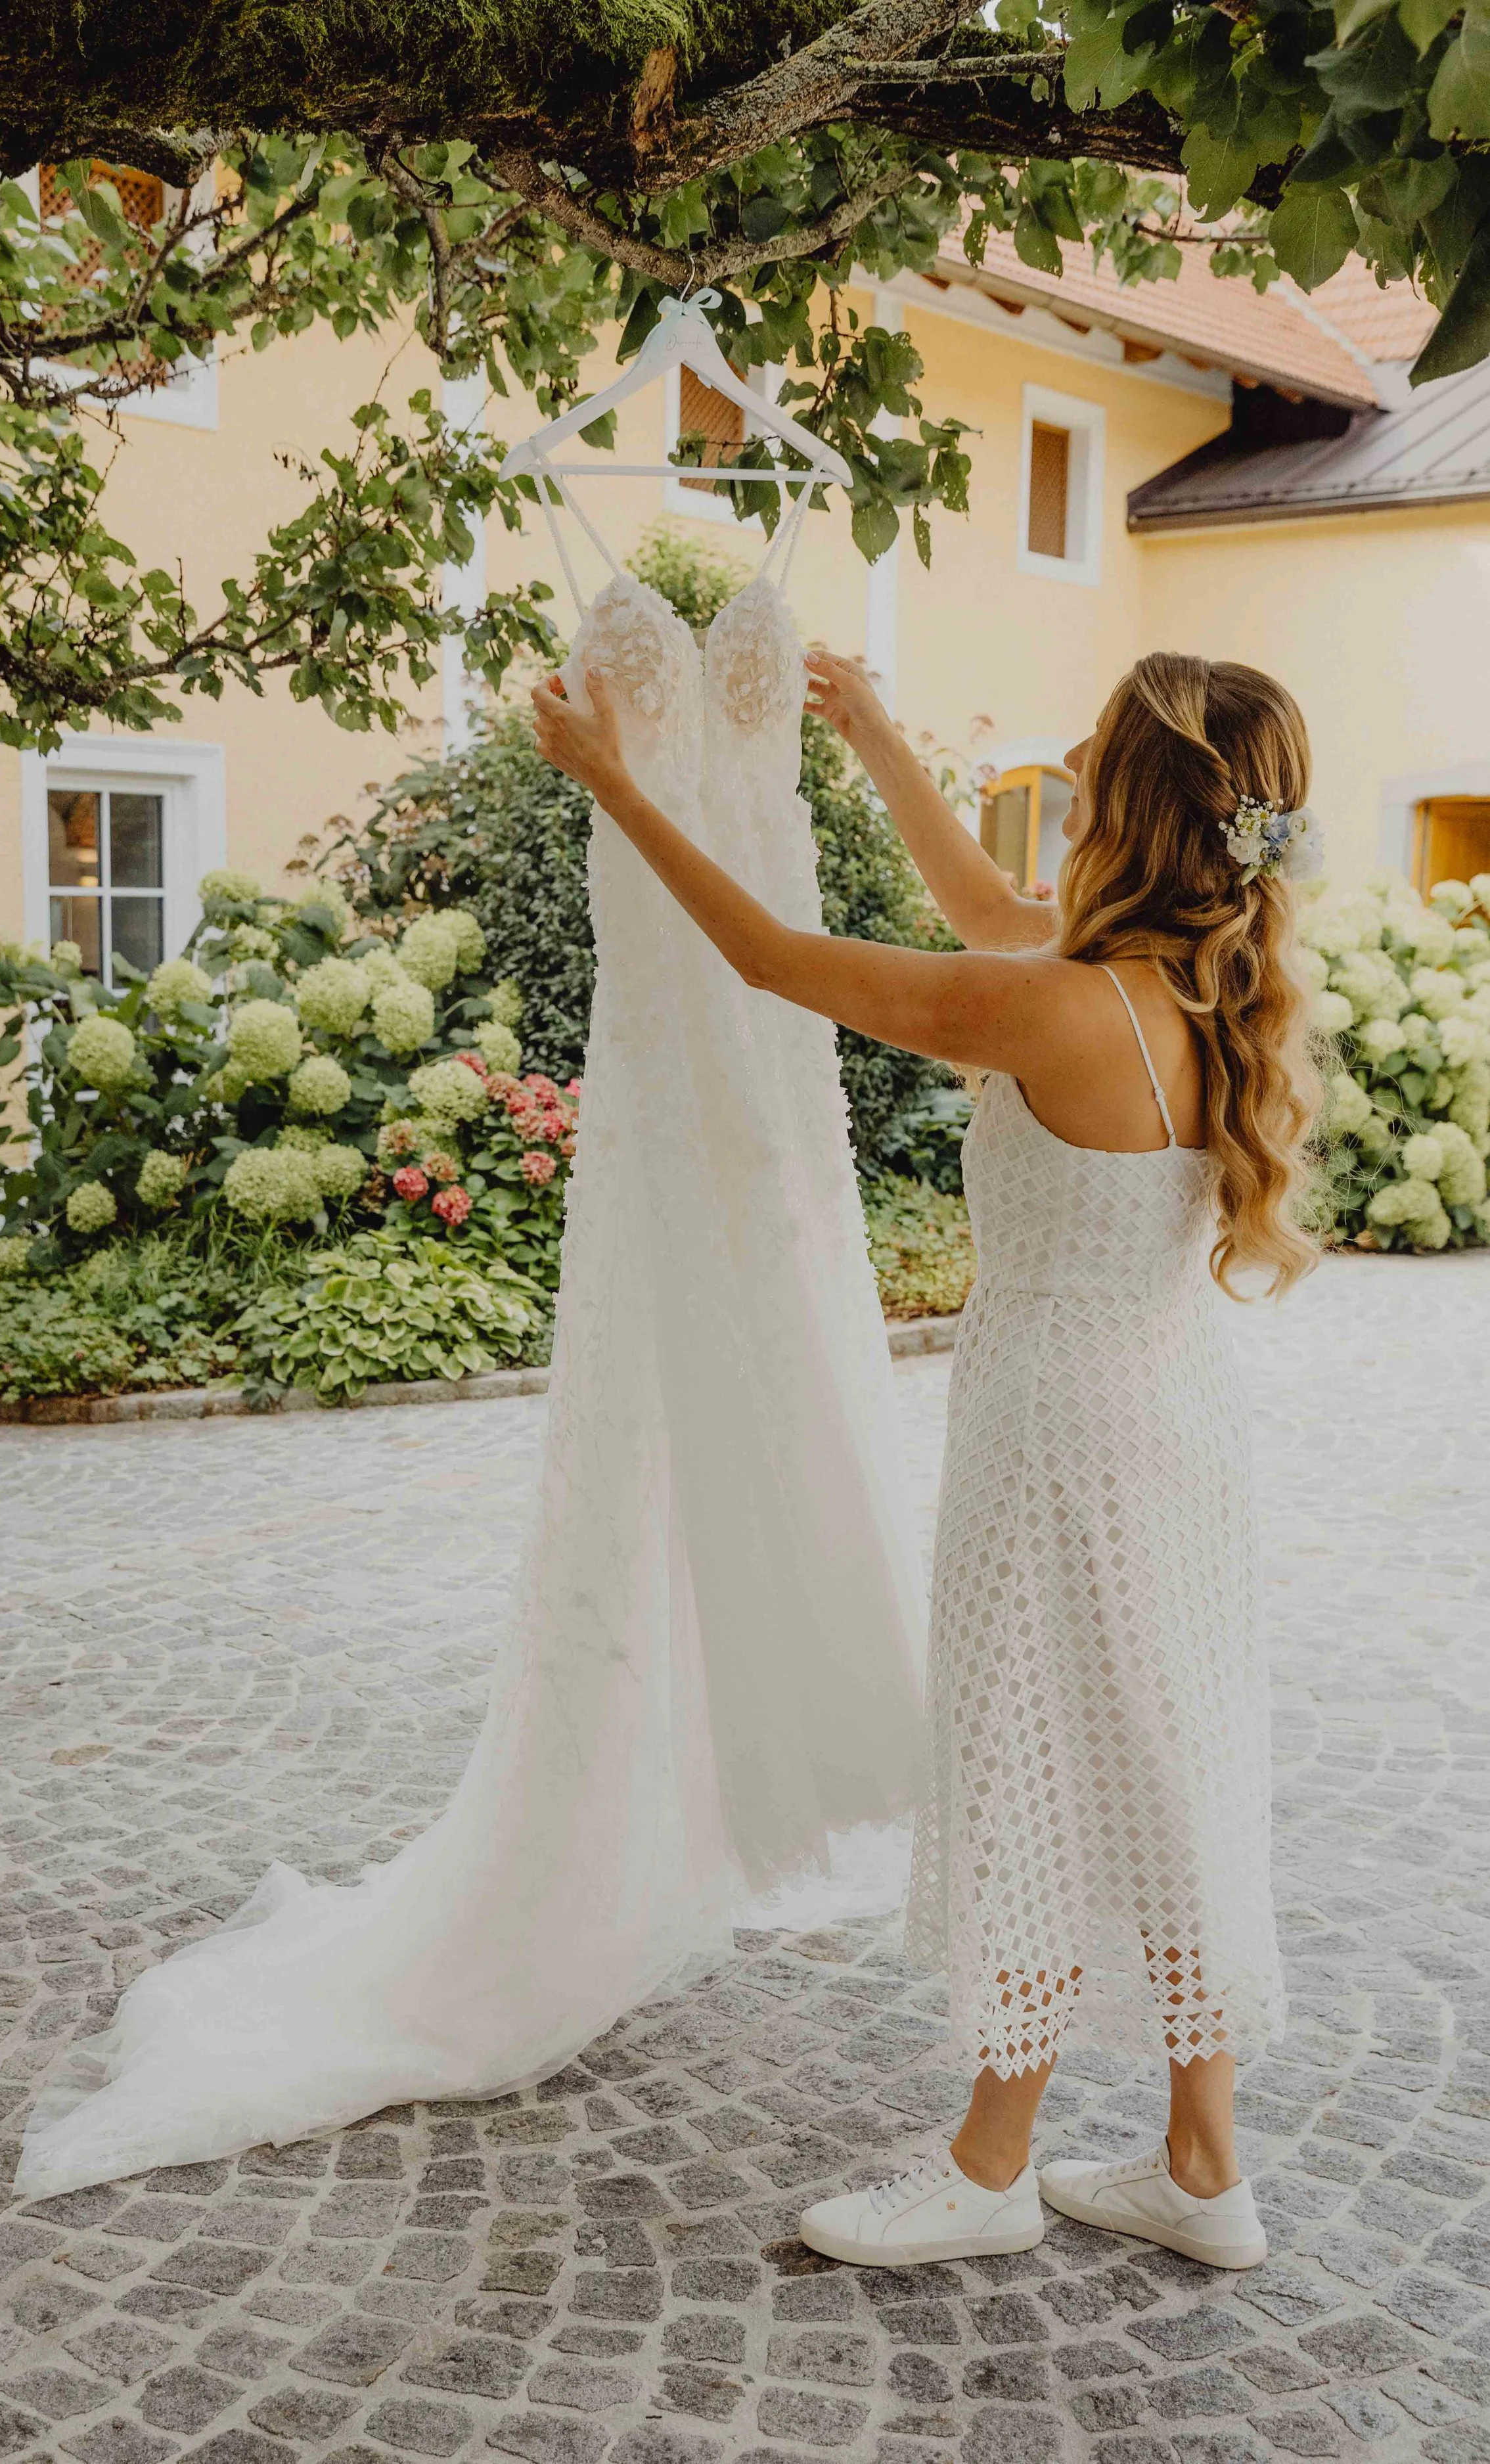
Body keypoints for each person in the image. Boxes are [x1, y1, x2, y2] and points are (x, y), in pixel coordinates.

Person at [531, 644, 1322, 2272]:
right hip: (1173, 1427)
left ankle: (986, 2168)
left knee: (1025, 1766)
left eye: (1096, 748)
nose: (1078, 765)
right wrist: (877, 731)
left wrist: (616, 787)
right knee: (1170, 1774)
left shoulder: (1049, 999)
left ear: (1130, 799)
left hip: (1055, 1442)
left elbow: (769, 958)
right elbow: (978, 903)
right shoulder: (1184, 982)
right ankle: (1200, 2163)